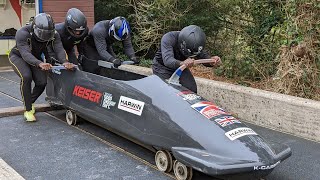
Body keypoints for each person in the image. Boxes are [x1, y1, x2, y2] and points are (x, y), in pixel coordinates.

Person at [8, 13, 75, 122]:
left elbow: (59, 49)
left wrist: (65, 61)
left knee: (42, 82)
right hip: (18, 56)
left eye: (48, 34)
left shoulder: (55, 34)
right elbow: (25, 54)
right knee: (26, 76)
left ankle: (29, 101)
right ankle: (28, 110)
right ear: (34, 27)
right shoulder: (22, 33)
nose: (45, 38)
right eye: (42, 34)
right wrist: (40, 63)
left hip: (35, 58)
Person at [152, 25, 221, 93]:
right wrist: (183, 63)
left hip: (181, 67)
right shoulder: (169, 38)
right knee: (167, 91)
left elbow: (202, 56)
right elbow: (168, 60)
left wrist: (211, 61)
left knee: (191, 89)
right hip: (162, 67)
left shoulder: (194, 43)